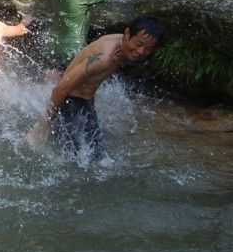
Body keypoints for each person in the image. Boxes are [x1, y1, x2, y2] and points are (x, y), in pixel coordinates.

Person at [27, 16, 165, 159]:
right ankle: (33, 139)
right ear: (128, 33)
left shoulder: (119, 43)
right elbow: (60, 89)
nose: (141, 51)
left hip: (82, 103)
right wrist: (44, 125)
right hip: (70, 103)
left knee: (92, 154)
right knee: (86, 159)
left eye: (148, 49)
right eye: (139, 44)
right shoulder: (104, 58)